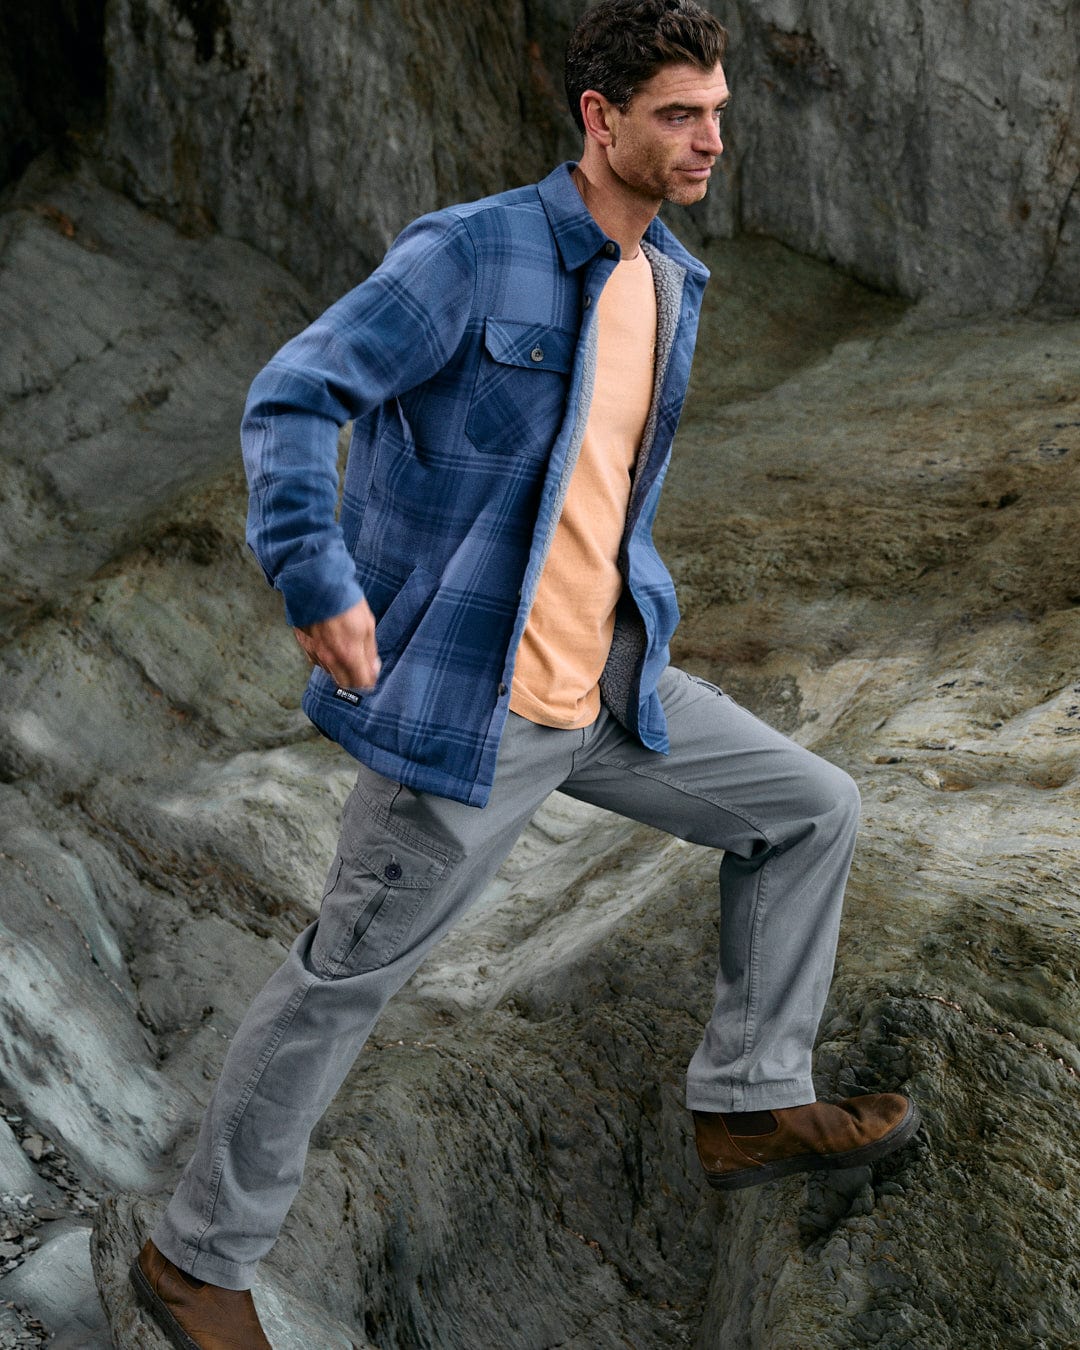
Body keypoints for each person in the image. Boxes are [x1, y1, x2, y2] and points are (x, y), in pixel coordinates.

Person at [129, 1, 920, 1344]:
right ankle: (195, 1258)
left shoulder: (669, 281)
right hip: (465, 710)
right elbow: (293, 394)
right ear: (599, 120)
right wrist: (320, 581)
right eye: (681, 114)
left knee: (810, 808)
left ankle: (746, 1099)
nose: (711, 140)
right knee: (342, 985)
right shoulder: (469, 254)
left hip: (610, 687)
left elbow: (598, 490)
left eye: (720, 114)